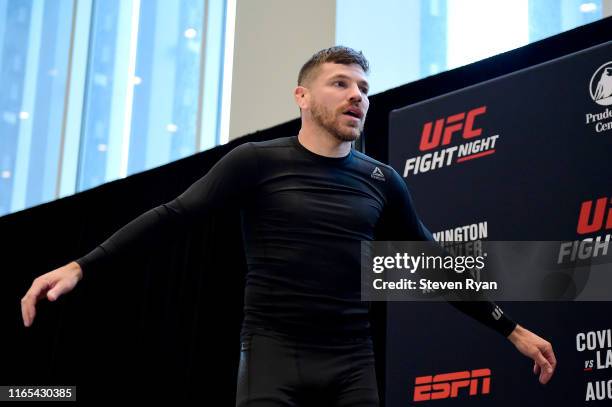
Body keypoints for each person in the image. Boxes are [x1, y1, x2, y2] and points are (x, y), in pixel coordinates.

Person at [21, 46, 556, 406]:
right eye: (340, 83)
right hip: (273, 356)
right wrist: (80, 266)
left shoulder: (382, 179)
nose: (357, 95)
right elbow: (174, 217)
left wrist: (512, 328)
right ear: (302, 97)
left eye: (363, 87)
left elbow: (434, 263)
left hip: (352, 364)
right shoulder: (256, 161)